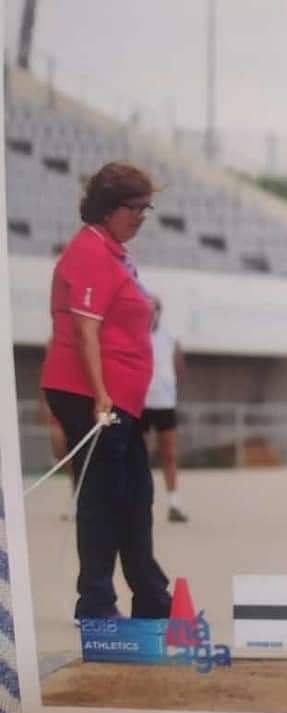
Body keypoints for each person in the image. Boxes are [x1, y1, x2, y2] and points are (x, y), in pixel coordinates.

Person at [40, 162, 173, 621]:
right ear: (108, 208)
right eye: (133, 207)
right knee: (107, 498)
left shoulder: (115, 254)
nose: (140, 216)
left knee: (134, 494)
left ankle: (149, 598)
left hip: (119, 402)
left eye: (145, 207)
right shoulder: (92, 253)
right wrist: (100, 395)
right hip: (91, 397)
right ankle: (99, 602)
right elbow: (85, 332)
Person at [141, 296, 189, 523]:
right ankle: (139, 503)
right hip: (141, 403)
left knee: (168, 453)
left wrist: (170, 389)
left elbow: (179, 368)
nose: (152, 314)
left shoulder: (170, 337)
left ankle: (174, 503)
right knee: (140, 455)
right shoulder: (136, 336)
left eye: (155, 309)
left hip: (164, 403)